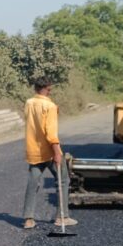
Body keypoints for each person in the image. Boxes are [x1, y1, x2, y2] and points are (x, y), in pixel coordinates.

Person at [22, 77, 76, 230]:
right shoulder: (50, 106)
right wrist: (57, 152)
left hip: (33, 151)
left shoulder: (28, 103)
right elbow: (51, 132)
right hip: (49, 152)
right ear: (47, 88)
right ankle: (62, 217)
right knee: (63, 180)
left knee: (33, 183)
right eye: (50, 88)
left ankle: (28, 219)